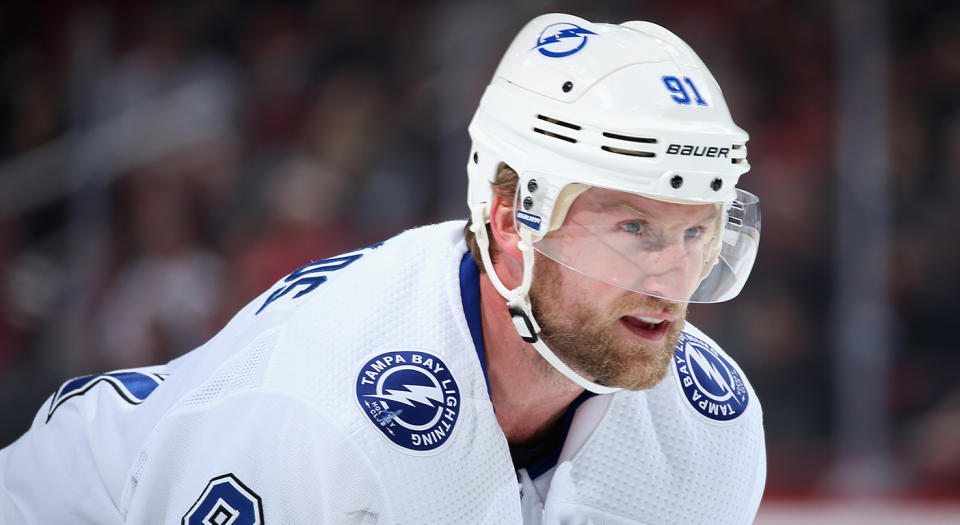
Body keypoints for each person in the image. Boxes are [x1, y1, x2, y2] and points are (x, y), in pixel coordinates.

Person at [0, 13, 765, 524]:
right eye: (633, 227)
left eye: (696, 231)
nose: (671, 278)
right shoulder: (328, 416)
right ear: (508, 220)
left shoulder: (708, 426)